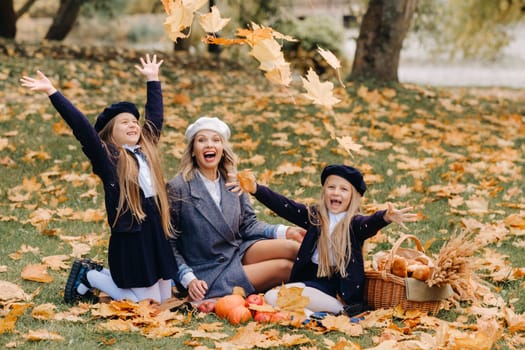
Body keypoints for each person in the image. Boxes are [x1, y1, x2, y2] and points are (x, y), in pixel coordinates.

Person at [20, 54, 177, 304]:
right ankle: (91, 276)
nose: (133, 125)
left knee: (165, 299)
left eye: (135, 122)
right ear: (110, 135)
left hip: (154, 232)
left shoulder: (146, 150)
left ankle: (104, 276)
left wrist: (153, 79)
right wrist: (53, 92)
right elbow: (82, 128)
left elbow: (155, 118)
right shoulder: (109, 158)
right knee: (147, 305)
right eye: (124, 122)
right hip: (132, 236)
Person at [236, 164, 418, 316]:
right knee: (272, 297)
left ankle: (341, 312)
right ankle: (313, 316)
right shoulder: (315, 217)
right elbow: (286, 206)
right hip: (312, 283)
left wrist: (384, 217)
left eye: (343, 189)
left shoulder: (354, 224)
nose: (336, 193)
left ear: (353, 197)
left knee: (277, 298)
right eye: (331, 187)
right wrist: (256, 190)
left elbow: (369, 224)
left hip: (338, 292)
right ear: (324, 192)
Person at [167, 116, 306, 301]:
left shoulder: (231, 179)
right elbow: (168, 242)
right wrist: (188, 279)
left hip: (237, 250)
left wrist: (285, 231)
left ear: (223, 149)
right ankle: (316, 291)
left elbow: (248, 224)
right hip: (209, 269)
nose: (209, 145)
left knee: (293, 248)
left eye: (216, 140)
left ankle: (337, 283)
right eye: (202, 140)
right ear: (193, 150)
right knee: (285, 267)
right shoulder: (179, 187)